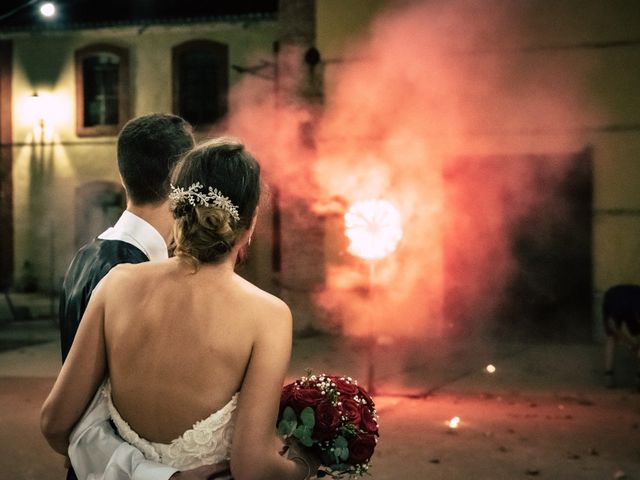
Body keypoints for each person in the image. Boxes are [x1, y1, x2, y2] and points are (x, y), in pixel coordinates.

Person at [42, 138, 319, 479]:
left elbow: (55, 424)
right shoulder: (268, 315)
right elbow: (253, 468)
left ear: (176, 209)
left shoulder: (116, 284)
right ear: (250, 224)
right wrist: (306, 464)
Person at [58, 113, 225, 480]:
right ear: (182, 178)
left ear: (124, 176)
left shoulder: (87, 256)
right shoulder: (125, 275)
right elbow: (86, 422)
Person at [602, 284, 640, 390]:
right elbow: (612, 325)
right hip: (613, 298)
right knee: (611, 337)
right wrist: (630, 344)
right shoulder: (616, 304)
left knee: (637, 334)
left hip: (630, 300)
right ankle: (608, 375)